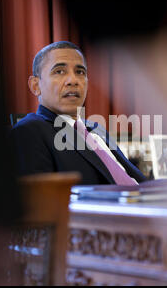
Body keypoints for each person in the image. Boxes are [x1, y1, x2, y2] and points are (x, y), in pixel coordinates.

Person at [10, 41, 147, 185]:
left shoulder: (96, 129)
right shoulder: (29, 131)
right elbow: (44, 203)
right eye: (59, 71)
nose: (73, 80)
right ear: (35, 86)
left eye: (80, 72)